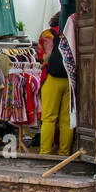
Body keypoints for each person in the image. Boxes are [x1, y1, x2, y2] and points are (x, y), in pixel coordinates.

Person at [36, 12, 73, 157]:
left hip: (51, 78)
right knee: (66, 119)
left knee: (49, 118)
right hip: (69, 80)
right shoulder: (72, 33)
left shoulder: (48, 34)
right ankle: (64, 152)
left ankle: (45, 152)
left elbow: (41, 57)